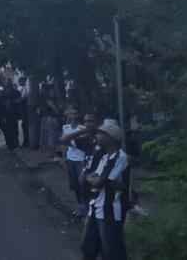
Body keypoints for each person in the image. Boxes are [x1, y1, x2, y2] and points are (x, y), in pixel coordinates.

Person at [81, 121, 130, 260]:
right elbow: (91, 178)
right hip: (96, 207)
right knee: (88, 247)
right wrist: (93, 179)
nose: (97, 135)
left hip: (110, 210)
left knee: (111, 250)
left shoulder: (120, 157)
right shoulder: (104, 157)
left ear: (110, 137)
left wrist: (93, 179)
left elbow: (99, 181)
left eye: (101, 133)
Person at [60, 111, 99, 217]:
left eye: (90, 121)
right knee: (78, 186)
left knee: (88, 189)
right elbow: (64, 140)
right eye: (86, 121)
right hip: (77, 163)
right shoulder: (84, 137)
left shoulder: (101, 137)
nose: (88, 124)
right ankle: (83, 208)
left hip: (90, 167)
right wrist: (82, 132)